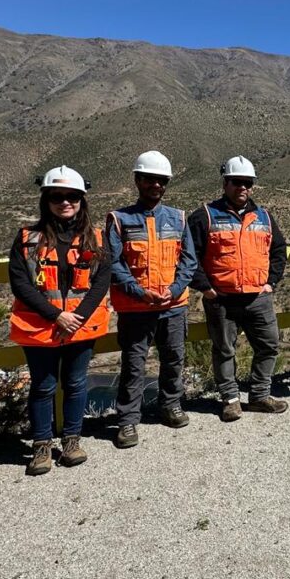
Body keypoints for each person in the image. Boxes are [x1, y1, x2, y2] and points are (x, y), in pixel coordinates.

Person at [9, 165, 111, 476]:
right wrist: (57, 315)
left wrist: (75, 317)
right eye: (57, 196)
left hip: (80, 326)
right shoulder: (27, 238)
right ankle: (41, 445)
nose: (65, 202)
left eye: (72, 197)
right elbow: (20, 283)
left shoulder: (96, 238)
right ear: (46, 199)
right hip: (41, 325)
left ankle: (71, 440)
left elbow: (101, 281)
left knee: (76, 383)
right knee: (43, 385)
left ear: (82, 200)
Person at [106, 151, 197, 448]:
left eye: (162, 181)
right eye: (150, 179)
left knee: (173, 358)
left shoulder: (179, 218)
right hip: (135, 308)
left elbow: (188, 261)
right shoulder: (119, 219)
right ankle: (128, 421)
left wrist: (173, 289)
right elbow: (114, 262)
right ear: (137, 180)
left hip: (173, 306)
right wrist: (137, 290)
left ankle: (170, 405)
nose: (156, 185)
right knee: (134, 364)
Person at [188, 156, 289, 421]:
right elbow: (189, 257)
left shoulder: (264, 216)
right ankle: (230, 400)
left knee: (269, 347)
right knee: (224, 350)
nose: (242, 187)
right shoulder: (205, 216)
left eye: (248, 183)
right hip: (222, 299)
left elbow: (278, 250)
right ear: (225, 183)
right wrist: (205, 287)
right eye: (237, 182)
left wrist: (272, 282)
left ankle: (259, 396)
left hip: (259, 297)